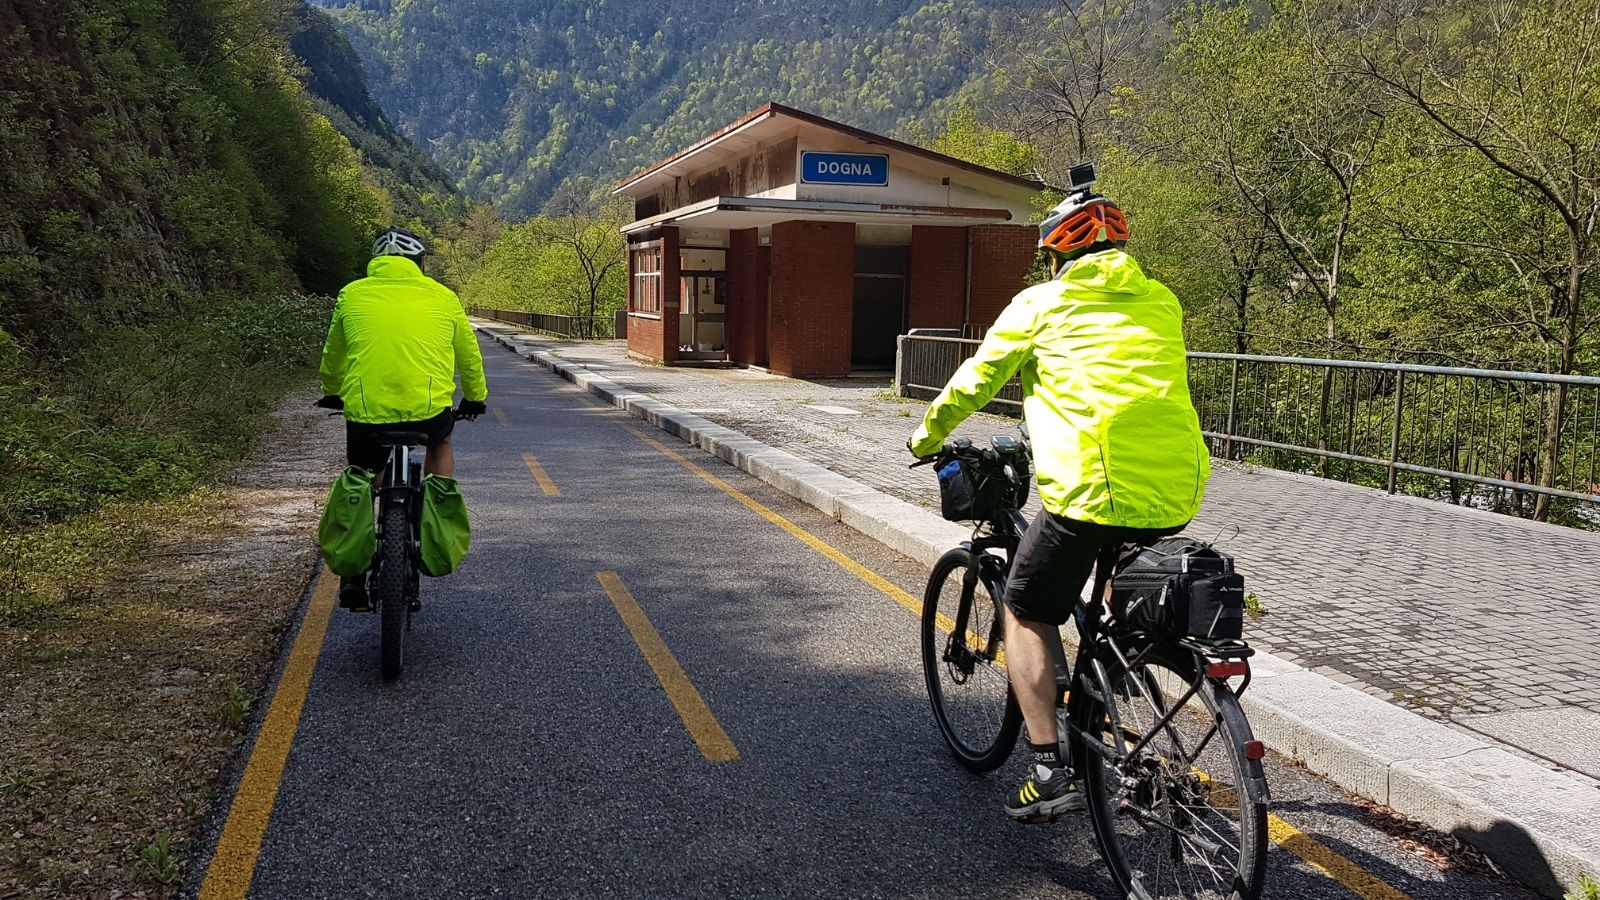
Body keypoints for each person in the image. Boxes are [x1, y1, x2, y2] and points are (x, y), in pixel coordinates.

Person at [908, 182, 1209, 821]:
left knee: (1024, 609)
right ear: (1120, 247)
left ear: (1056, 257)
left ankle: (1049, 769)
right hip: (1175, 487)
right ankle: (1120, 669)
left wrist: (925, 433)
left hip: (1091, 489)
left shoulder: (1042, 305)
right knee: (1110, 599)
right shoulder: (1162, 300)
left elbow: (976, 380)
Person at [317, 226, 489, 610]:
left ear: (376, 261)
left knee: (364, 473)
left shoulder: (353, 293)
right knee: (441, 441)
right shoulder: (444, 297)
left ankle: (354, 570)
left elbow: (334, 356)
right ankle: (437, 520)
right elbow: (469, 356)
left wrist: (333, 389)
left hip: (367, 412)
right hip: (429, 412)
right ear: (420, 263)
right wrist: (475, 399)